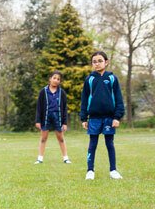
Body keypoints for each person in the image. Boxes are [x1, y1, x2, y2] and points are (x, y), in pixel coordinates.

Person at [79, 51, 125, 180]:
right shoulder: (89, 80)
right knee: (92, 144)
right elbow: (84, 100)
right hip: (94, 118)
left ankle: (113, 170)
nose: (97, 64)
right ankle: (90, 170)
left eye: (100, 61)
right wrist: (84, 118)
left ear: (106, 62)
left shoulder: (112, 78)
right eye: (94, 61)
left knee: (109, 143)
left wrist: (117, 117)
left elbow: (119, 99)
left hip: (109, 118)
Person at [34, 70, 71, 164]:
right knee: (43, 138)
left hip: (57, 118)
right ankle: (40, 158)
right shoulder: (43, 91)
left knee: (61, 138)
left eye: (58, 79)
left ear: (60, 81)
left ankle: (66, 158)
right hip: (46, 117)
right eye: (54, 78)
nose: (56, 80)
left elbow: (64, 108)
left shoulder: (61, 93)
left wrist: (65, 123)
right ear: (50, 79)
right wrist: (38, 120)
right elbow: (39, 107)